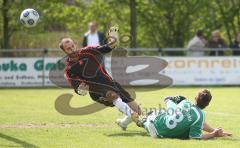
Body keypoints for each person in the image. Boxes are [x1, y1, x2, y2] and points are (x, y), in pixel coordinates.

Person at [59, 27, 141, 129]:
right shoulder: (69, 69)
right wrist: (81, 90)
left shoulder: (88, 51)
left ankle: (123, 123)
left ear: (75, 44)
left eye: (72, 46)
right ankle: (135, 117)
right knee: (113, 96)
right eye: (68, 48)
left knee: (137, 110)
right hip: (96, 91)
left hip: (110, 83)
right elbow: (76, 87)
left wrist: (112, 42)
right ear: (64, 51)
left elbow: (106, 48)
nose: (72, 49)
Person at [136, 89, 232, 139]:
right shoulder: (199, 116)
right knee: (187, 131)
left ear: (195, 98)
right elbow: (195, 137)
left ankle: (143, 121)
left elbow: (201, 124)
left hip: (156, 124)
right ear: (207, 104)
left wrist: (214, 131)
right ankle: (143, 121)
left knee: (162, 113)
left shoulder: (185, 102)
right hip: (160, 134)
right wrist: (213, 134)